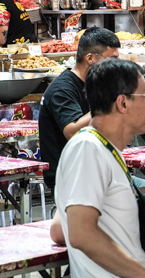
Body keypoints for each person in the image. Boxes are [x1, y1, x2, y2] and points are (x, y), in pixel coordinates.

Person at [48, 59, 145, 278]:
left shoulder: (105, 148)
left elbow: (61, 227)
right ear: (123, 103)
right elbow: (81, 234)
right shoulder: (87, 148)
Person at [39, 28, 122, 190]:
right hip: (71, 178)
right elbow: (72, 131)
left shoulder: (96, 85)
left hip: (96, 171)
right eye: (111, 60)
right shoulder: (62, 89)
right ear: (90, 58)